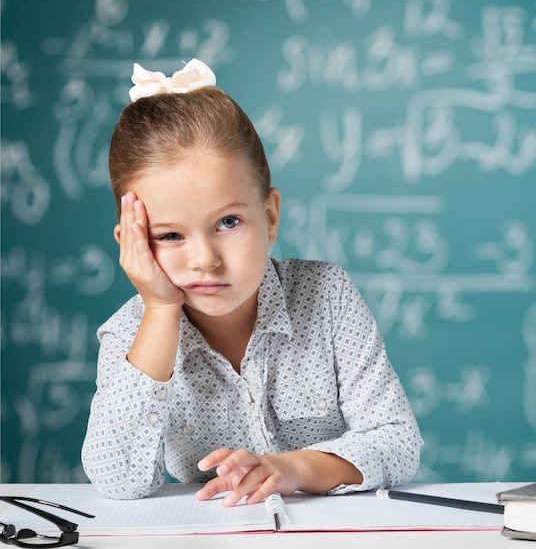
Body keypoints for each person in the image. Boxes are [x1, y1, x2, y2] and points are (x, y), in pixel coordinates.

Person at [81, 59, 423, 505]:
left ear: (270, 216)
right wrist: (162, 310)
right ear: (132, 244)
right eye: (169, 235)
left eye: (228, 222)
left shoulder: (327, 296)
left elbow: (397, 442)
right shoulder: (130, 335)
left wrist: (290, 468)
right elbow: (116, 480)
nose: (204, 259)